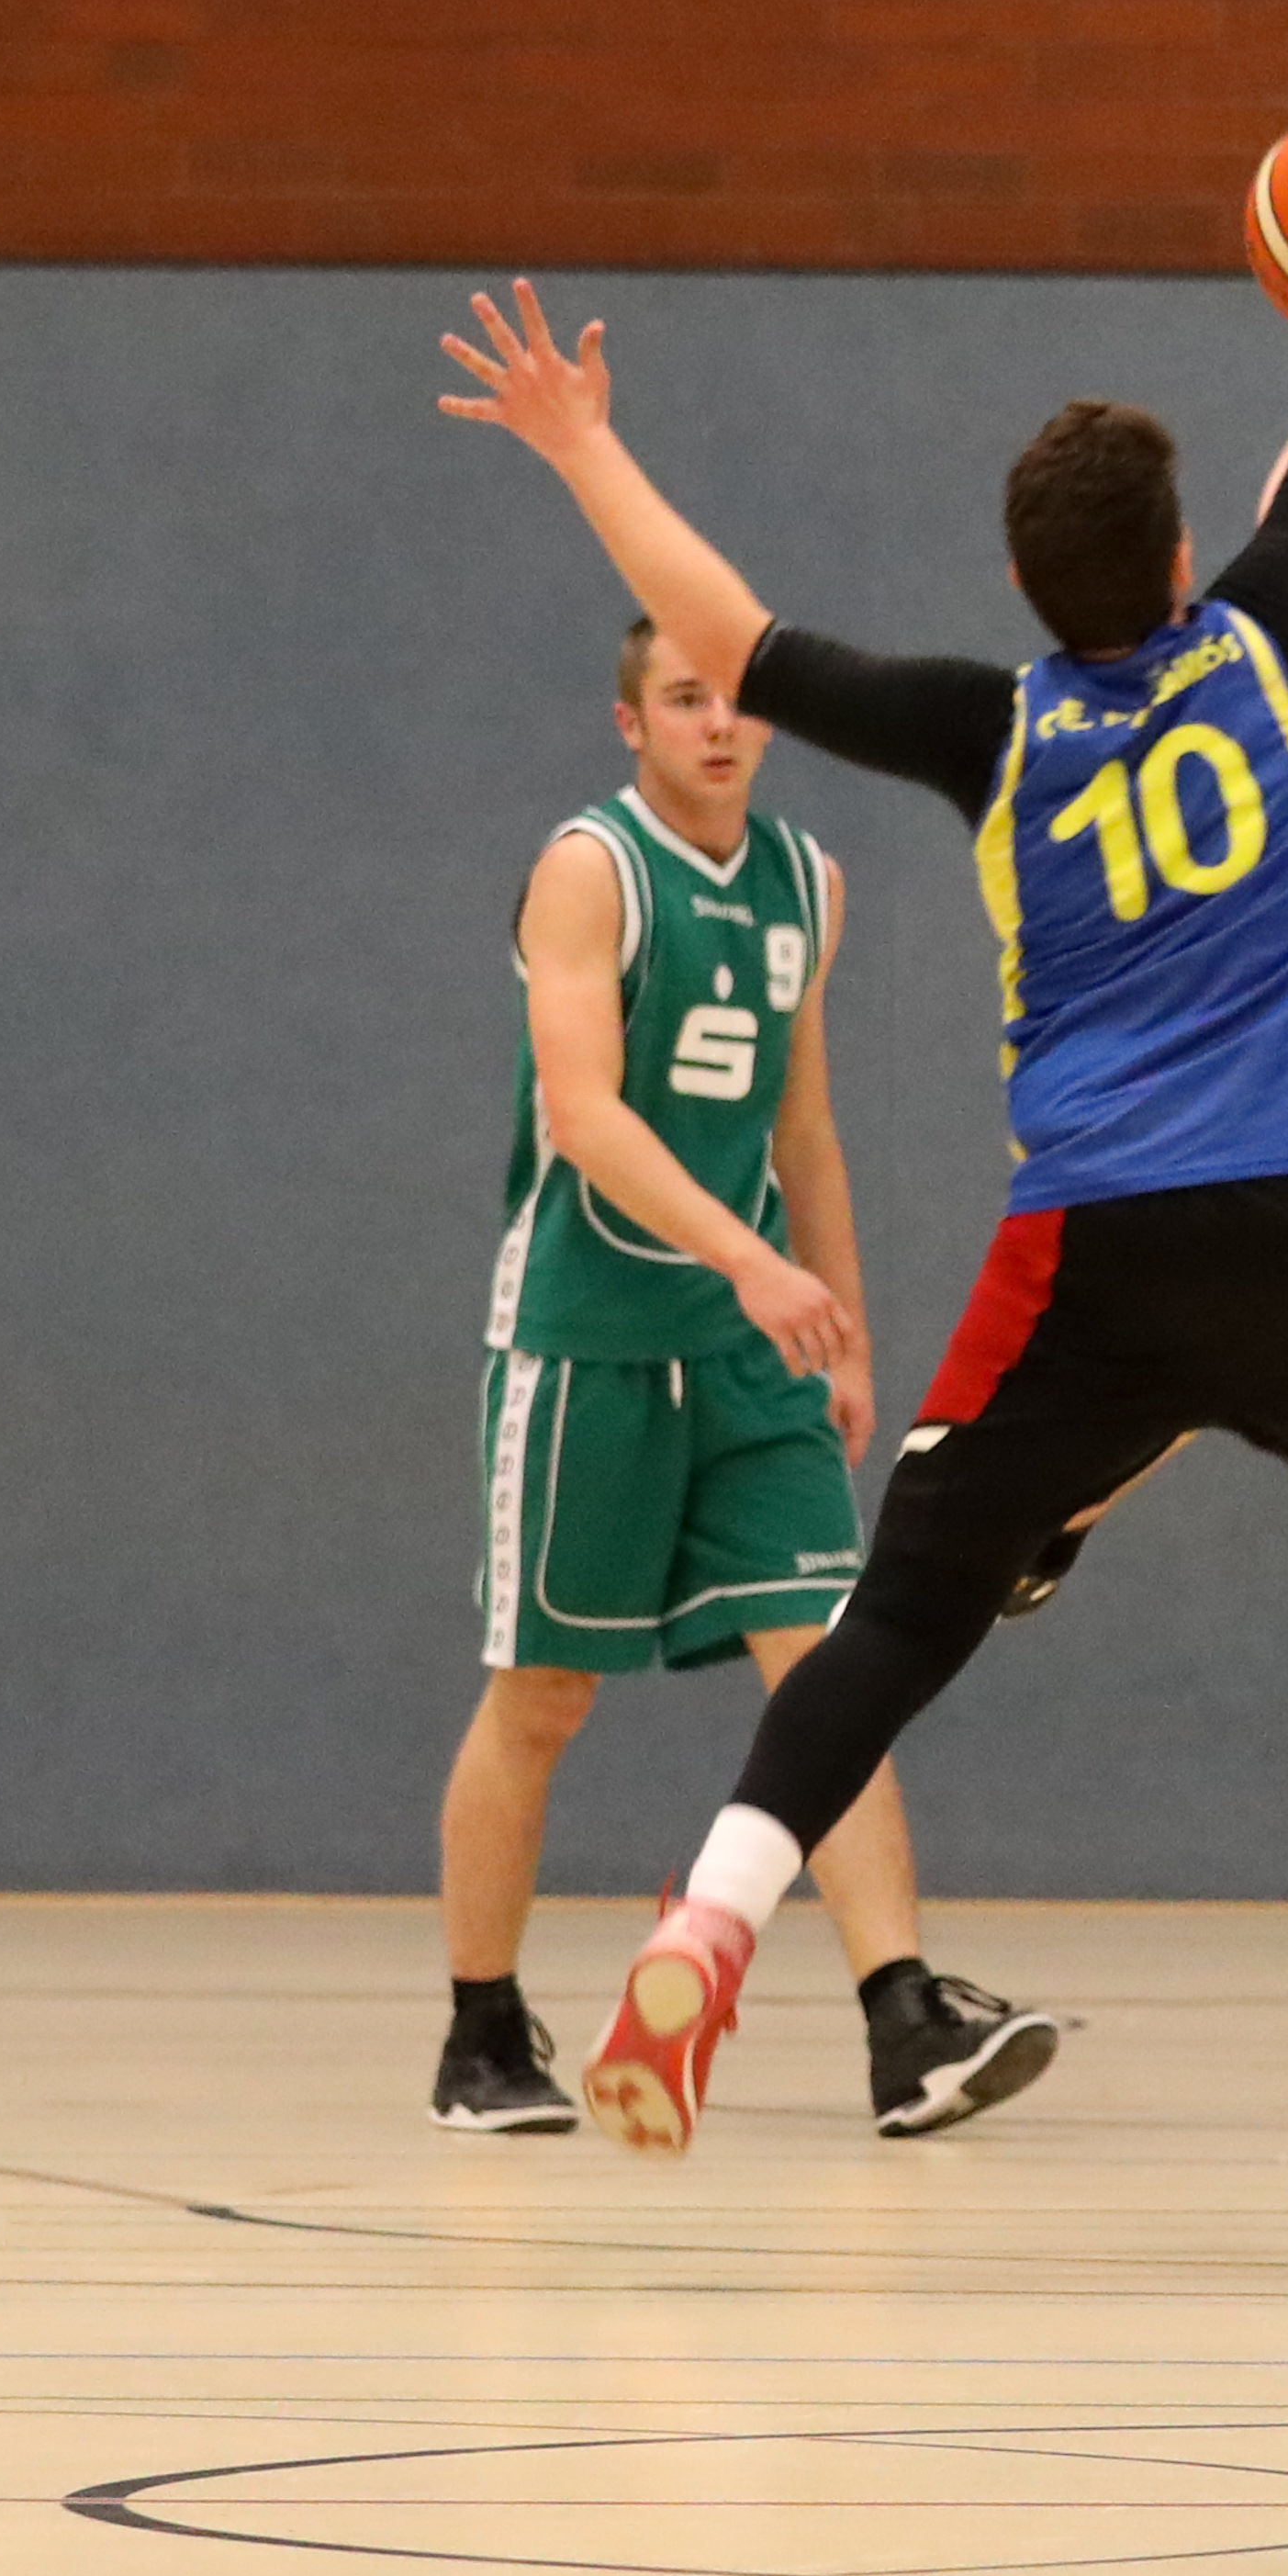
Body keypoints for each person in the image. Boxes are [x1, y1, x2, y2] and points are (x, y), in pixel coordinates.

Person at [434, 31, 1288, 2154]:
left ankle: (705, 1927)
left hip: (1084, 1248)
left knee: (901, 1616)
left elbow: (733, 633)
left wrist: (580, 449)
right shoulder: (1263, 637)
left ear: (1022, 596)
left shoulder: (985, 731)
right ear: (1181, 560)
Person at [431, 620, 1058, 2141]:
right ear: (631, 720)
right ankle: (481, 2026)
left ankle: (903, 2015)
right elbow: (584, 1113)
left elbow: (805, 1127)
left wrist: (841, 1325)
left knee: (832, 1663)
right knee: (542, 1696)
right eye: (683, 699)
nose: (718, 723)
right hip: (589, 1336)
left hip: (751, 1350)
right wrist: (748, 1262)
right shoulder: (590, 870)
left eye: (735, 699)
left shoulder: (805, 883)